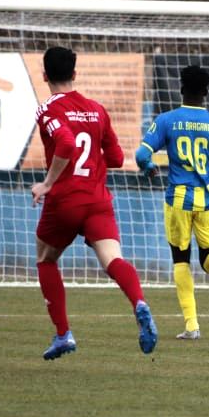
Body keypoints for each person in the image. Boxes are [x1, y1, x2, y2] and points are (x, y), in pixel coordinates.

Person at [31, 46, 157, 360]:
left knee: (46, 258)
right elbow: (116, 158)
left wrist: (48, 183)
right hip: (97, 199)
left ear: (44, 75)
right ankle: (139, 302)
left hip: (65, 200)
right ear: (74, 74)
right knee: (113, 259)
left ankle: (63, 334)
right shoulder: (97, 110)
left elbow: (66, 143)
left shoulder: (47, 110)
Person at [135, 65, 209, 340]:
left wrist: (149, 167)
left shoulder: (166, 120)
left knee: (181, 259)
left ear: (181, 89)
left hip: (178, 199)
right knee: (208, 263)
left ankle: (192, 325)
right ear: (206, 92)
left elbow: (141, 155)